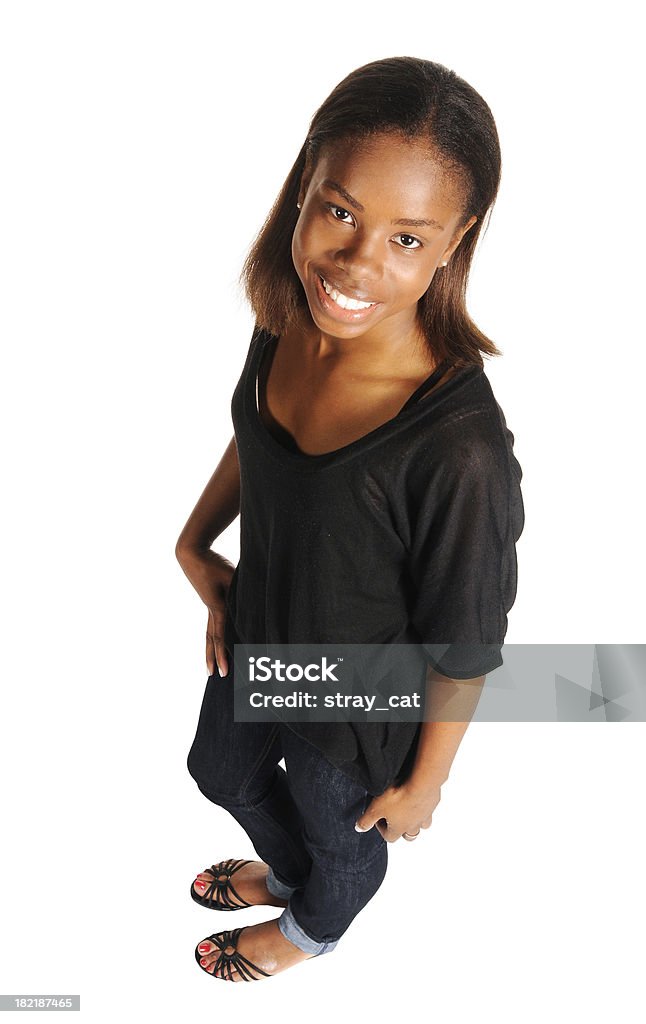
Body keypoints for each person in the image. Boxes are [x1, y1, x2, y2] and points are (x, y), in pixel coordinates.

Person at [176, 55, 525, 983]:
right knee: (221, 773)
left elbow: (464, 644)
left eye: (408, 239)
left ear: (458, 238)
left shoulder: (458, 449)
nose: (357, 267)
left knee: (344, 835)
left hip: (361, 696)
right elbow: (264, 437)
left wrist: (426, 783)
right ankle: (288, 876)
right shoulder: (288, 312)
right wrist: (195, 544)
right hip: (265, 636)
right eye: (340, 212)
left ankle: (313, 927)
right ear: (305, 187)